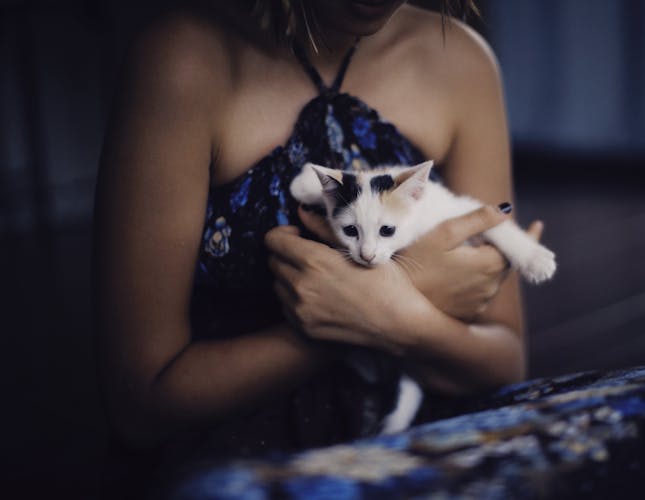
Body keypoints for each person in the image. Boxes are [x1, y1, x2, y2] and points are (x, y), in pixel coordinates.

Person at [92, 0, 544, 490]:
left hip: (426, 424)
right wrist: (364, 315)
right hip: (242, 453)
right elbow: (141, 407)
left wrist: (399, 314)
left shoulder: (461, 60)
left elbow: (503, 359)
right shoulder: (184, 59)